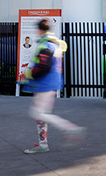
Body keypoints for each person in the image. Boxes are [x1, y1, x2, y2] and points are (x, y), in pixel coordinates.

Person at [19, 19, 84, 153]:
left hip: (43, 84)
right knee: (40, 114)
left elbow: (44, 66)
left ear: (40, 30)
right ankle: (43, 144)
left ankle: (70, 129)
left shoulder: (45, 45)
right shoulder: (56, 45)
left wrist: (30, 73)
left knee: (38, 113)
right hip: (51, 84)